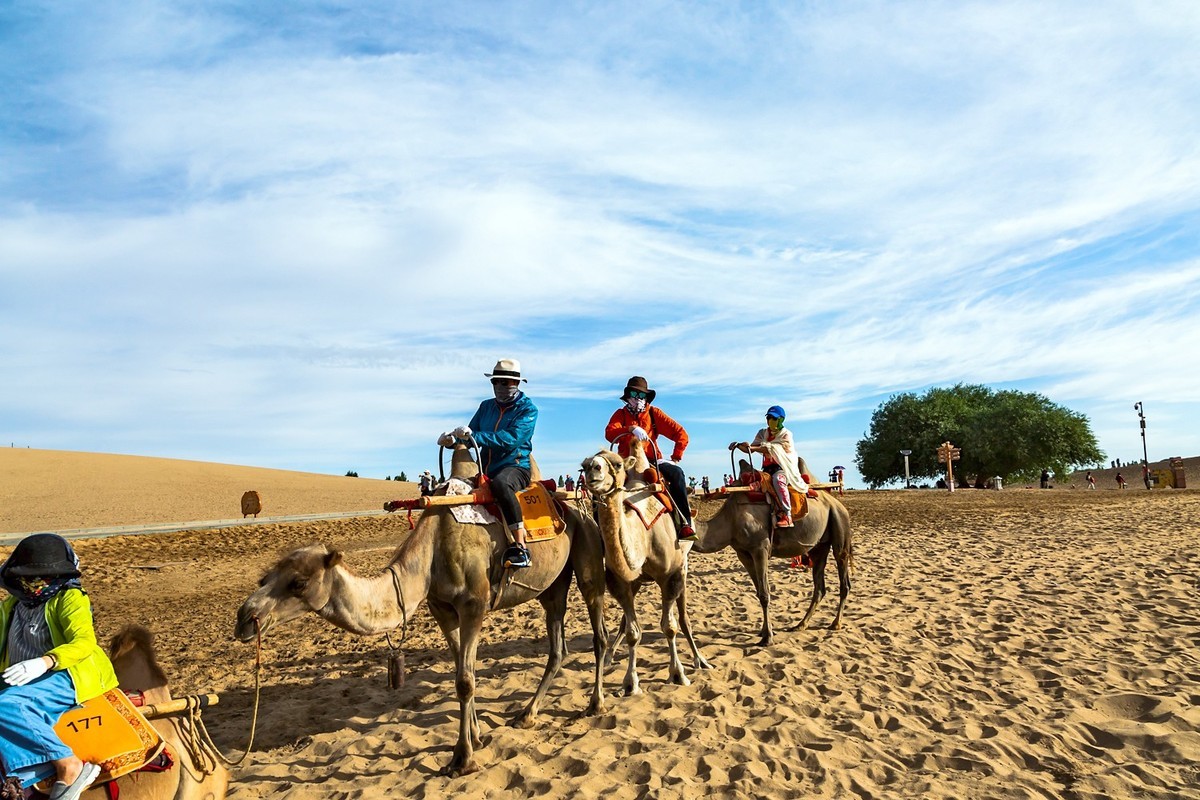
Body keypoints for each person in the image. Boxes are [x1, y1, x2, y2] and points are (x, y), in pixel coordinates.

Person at [1, 534, 119, 800]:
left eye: (42, 576)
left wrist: (46, 661)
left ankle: (68, 764)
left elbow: (84, 642)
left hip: (68, 674)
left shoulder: (71, 598)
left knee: (9, 706)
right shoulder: (12, 606)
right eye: (28, 576)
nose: (34, 584)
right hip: (24, 674)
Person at [440, 358, 538, 568]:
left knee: (502, 485)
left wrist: (474, 436)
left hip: (515, 466)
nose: (500, 387)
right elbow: (471, 434)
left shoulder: (528, 410)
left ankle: (520, 546)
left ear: (516, 384)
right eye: (496, 382)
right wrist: (452, 440)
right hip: (485, 469)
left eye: (505, 382)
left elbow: (510, 439)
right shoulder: (486, 407)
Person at [604, 376, 695, 538]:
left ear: (646, 397)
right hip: (625, 462)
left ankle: (684, 523)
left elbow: (680, 433)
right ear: (628, 396)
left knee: (677, 474)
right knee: (603, 487)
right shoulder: (620, 415)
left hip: (651, 461)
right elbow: (610, 433)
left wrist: (675, 457)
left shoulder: (654, 414)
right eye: (634, 393)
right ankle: (601, 532)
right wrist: (630, 428)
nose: (637, 398)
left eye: (641, 395)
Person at [729, 406, 808, 528]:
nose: (770, 420)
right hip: (767, 470)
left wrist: (752, 448)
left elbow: (770, 449)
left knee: (778, 480)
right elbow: (750, 449)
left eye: (774, 418)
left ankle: (788, 515)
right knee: (750, 481)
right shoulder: (762, 433)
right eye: (769, 417)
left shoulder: (786, 435)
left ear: (781, 420)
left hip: (783, 469)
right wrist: (739, 445)